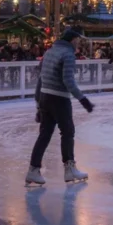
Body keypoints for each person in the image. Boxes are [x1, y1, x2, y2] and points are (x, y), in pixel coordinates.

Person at [26, 29, 94, 187]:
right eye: (77, 40)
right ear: (73, 40)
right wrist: (83, 100)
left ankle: (33, 170)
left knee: (44, 134)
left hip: (45, 97)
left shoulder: (49, 52)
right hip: (59, 98)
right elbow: (68, 81)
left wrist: (38, 103)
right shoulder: (68, 54)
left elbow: (41, 79)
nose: (78, 43)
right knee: (68, 132)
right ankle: (69, 169)